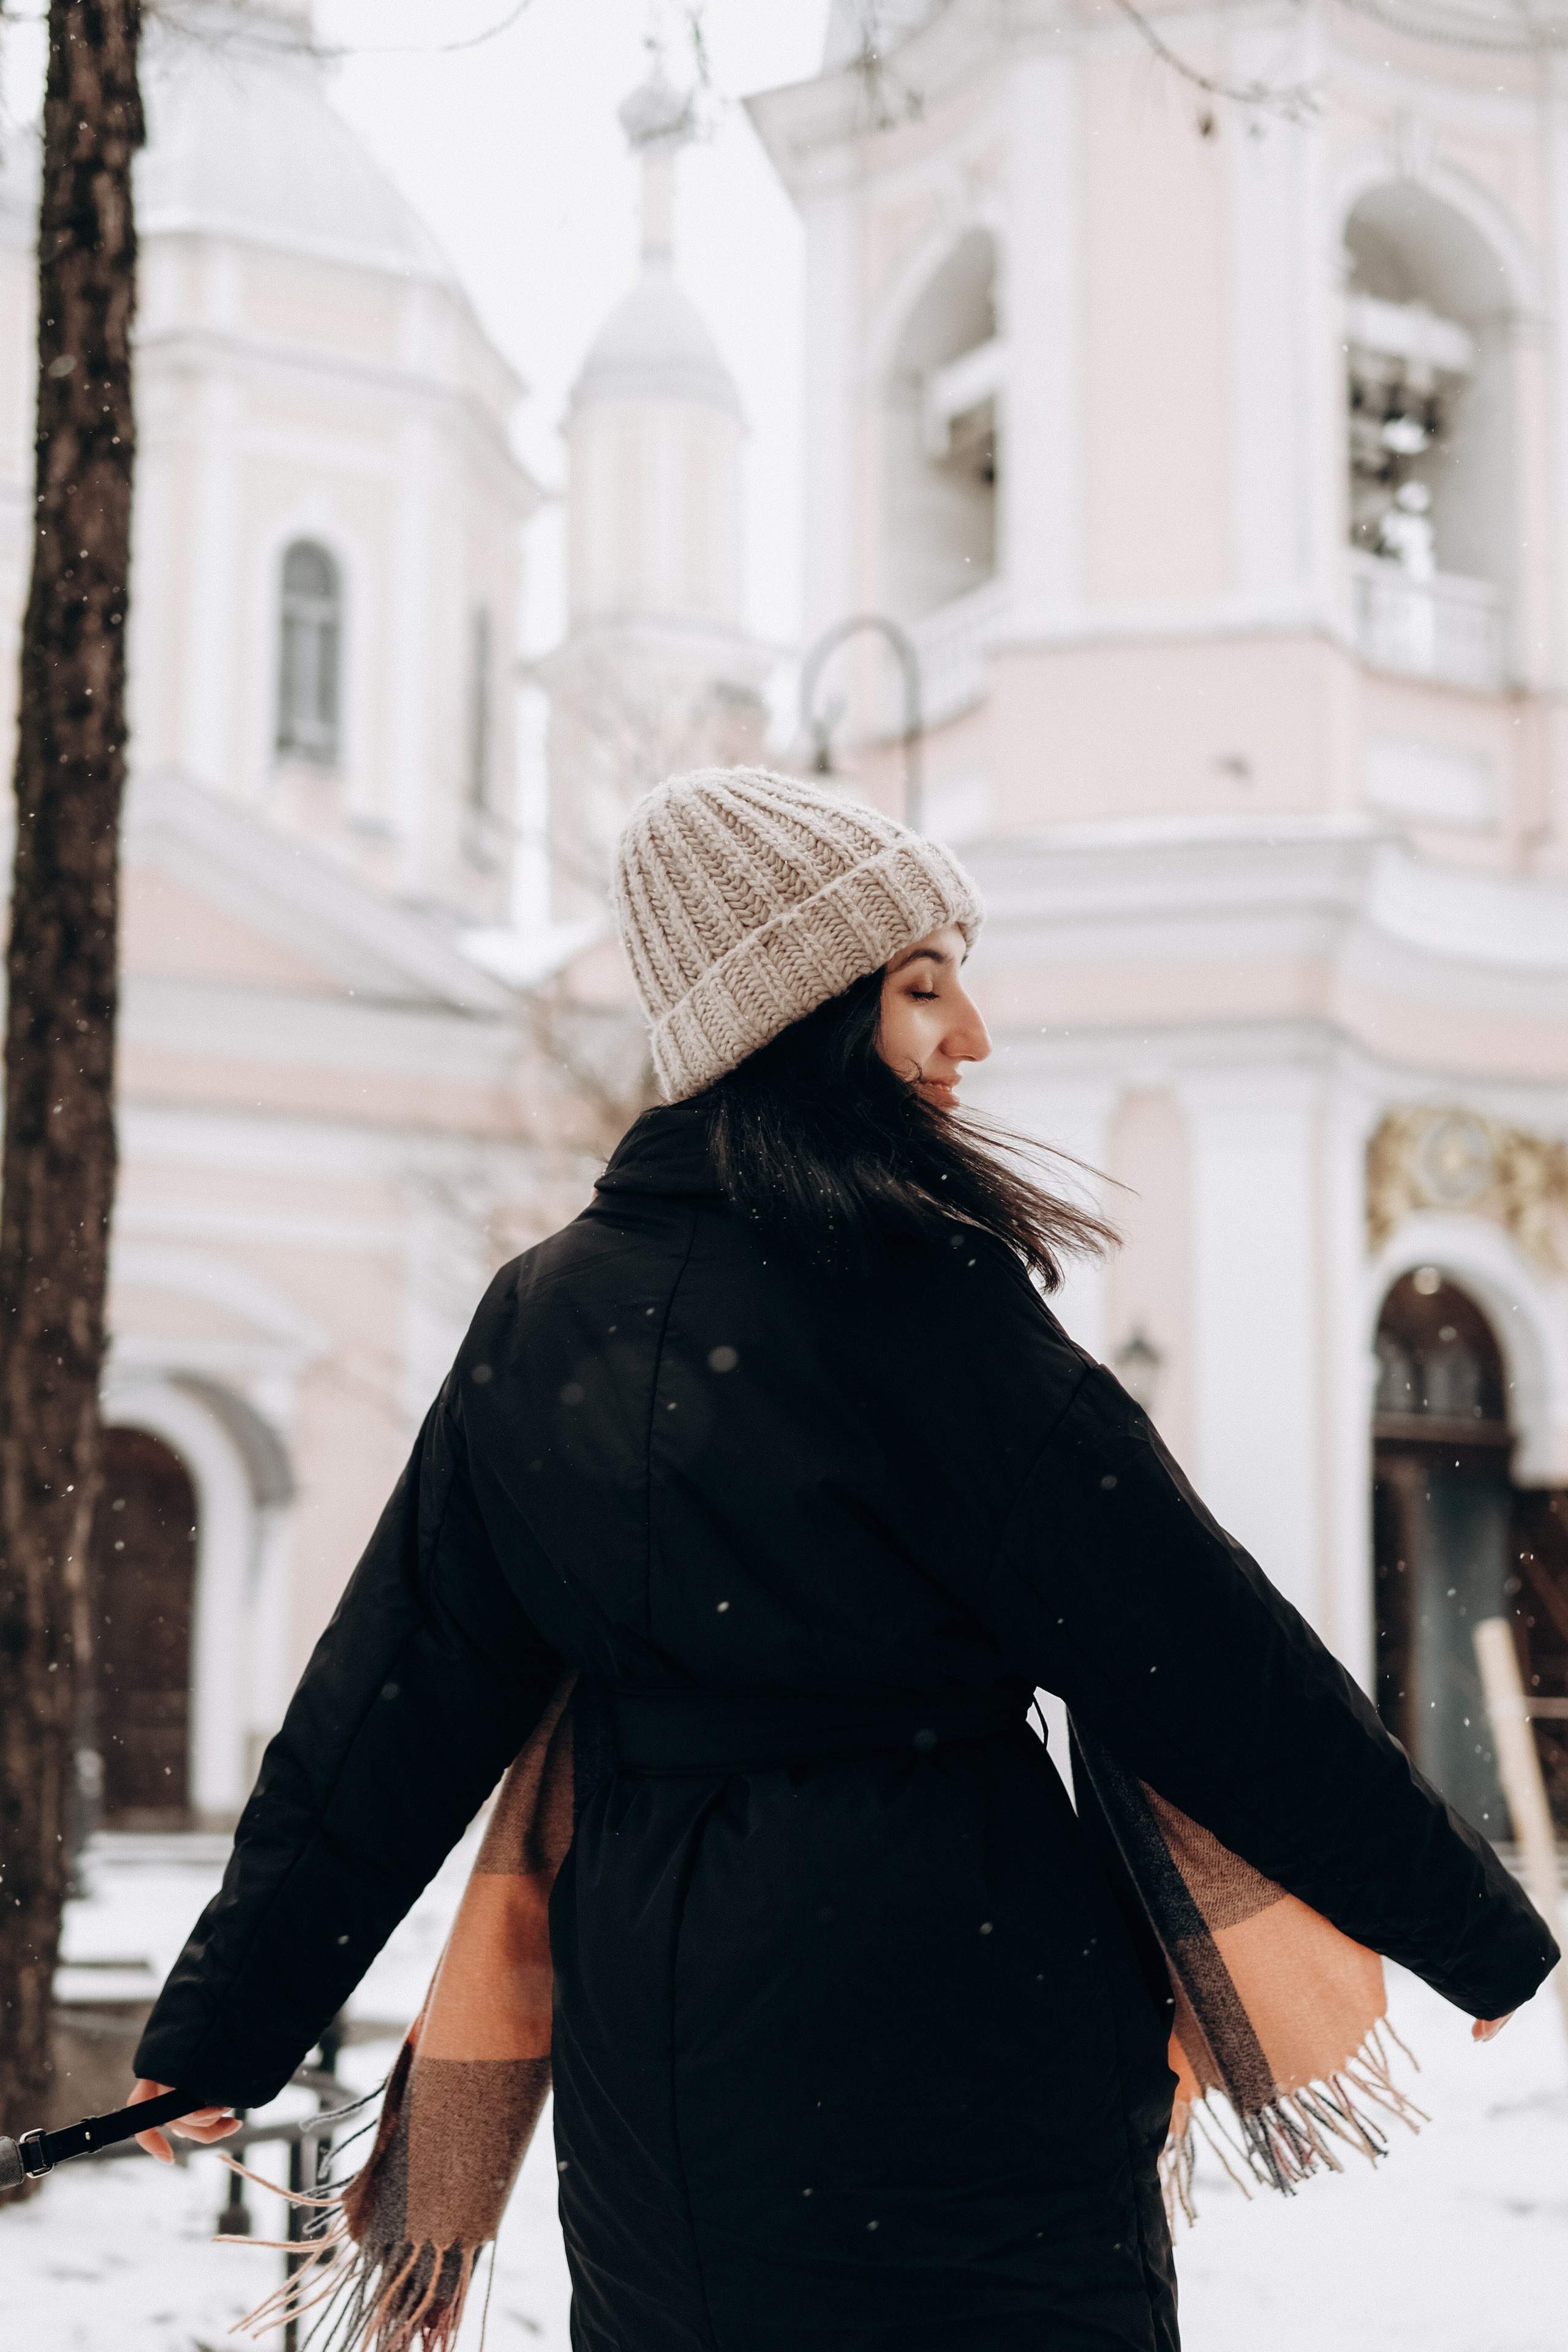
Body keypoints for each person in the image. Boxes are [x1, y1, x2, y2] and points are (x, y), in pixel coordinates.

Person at [129, 767, 1555, 2352]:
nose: (973, 1038)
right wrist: (1457, 1916)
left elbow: (395, 1699)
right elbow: (1194, 1645)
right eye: (923, 987)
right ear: (796, 1014)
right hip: (953, 2005)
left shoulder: (538, 1315)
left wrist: (226, 2024)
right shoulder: (919, 1298)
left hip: (651, 2032)